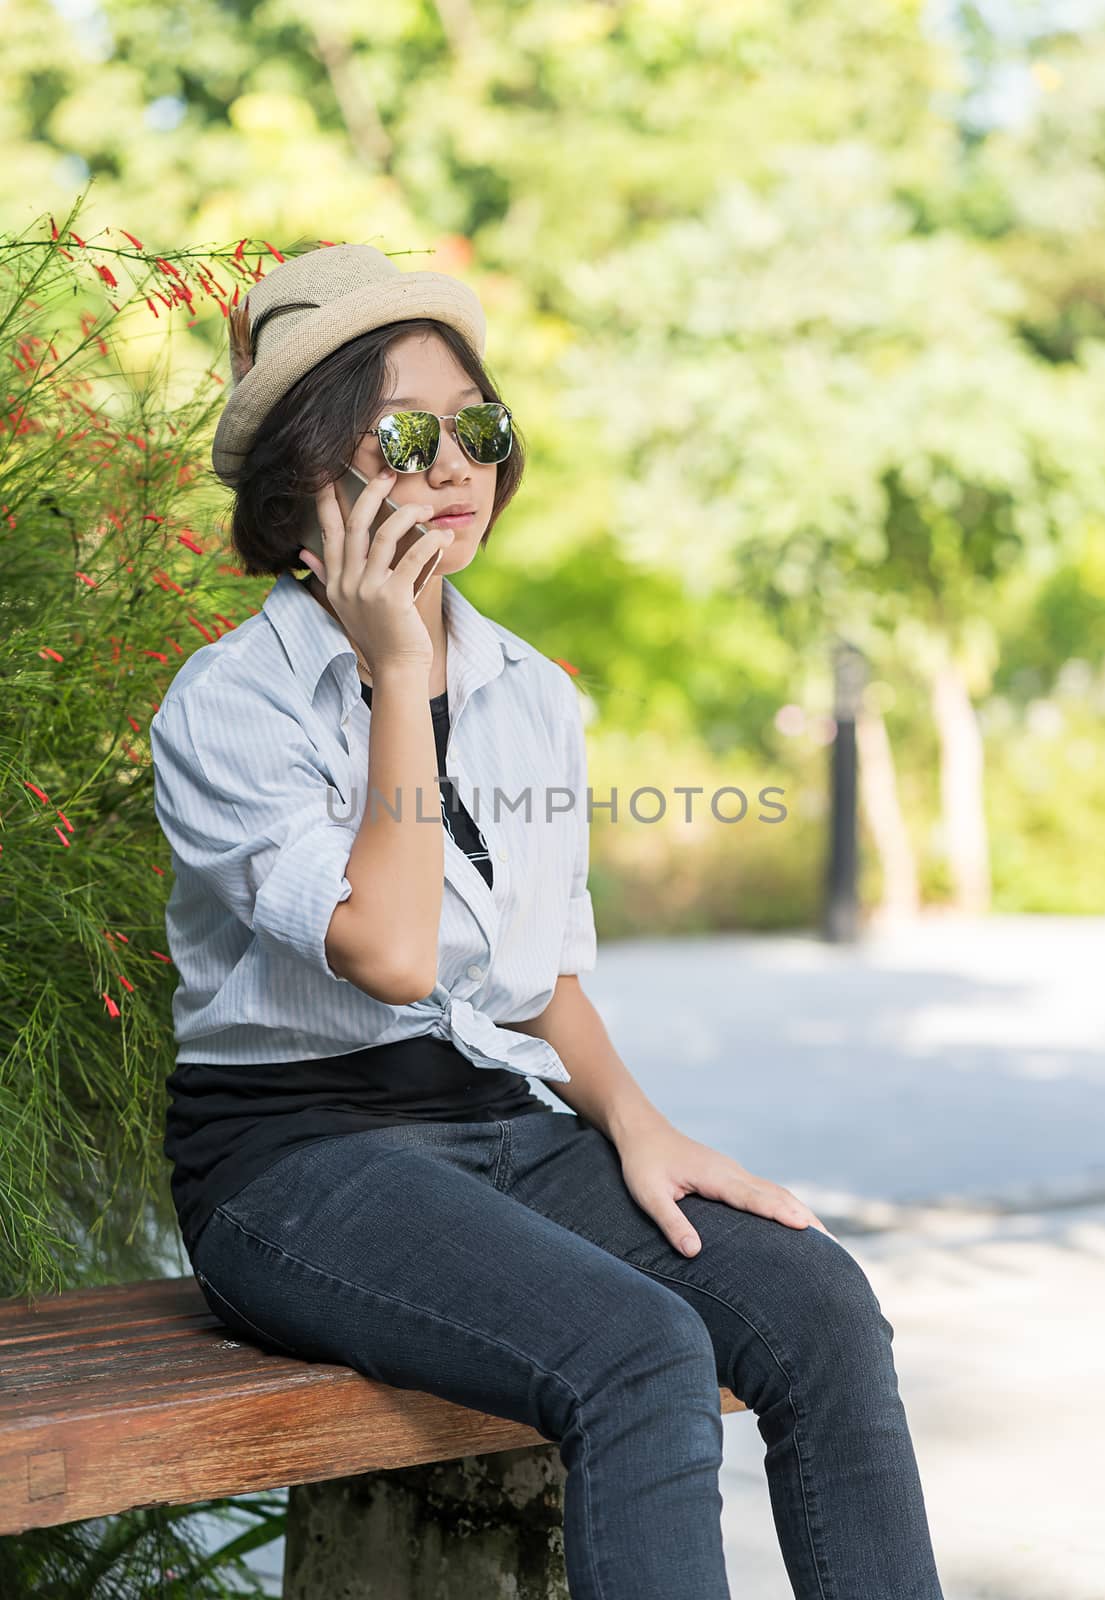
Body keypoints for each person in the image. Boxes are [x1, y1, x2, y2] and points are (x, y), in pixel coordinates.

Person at [148, 243, 946, 1600]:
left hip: (499, 1127)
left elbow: (532, 972)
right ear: (304, 493)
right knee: (638, 1352)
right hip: (296, 1162)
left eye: (479, 428)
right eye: (402, 435)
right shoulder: (232, 703)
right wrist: (397, 672)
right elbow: (392, 955)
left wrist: (640, 1129)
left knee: (817, 1308)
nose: (453, 465)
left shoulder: (528, 690)